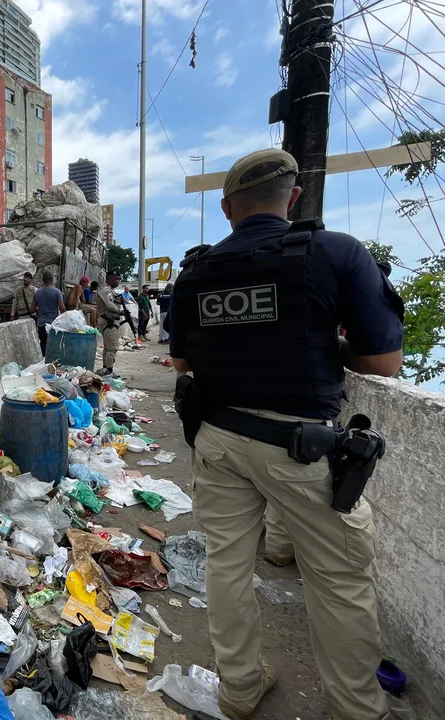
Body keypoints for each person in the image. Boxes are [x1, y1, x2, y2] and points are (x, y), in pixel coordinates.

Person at [169, 148, 404, 720]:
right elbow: (385, 360)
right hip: (301, 449)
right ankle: (356, 708)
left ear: (227, 209)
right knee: (339, 579)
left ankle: (239, 689)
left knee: (225, 564)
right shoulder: (335, 252)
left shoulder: (195, 271)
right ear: (293, 196)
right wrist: (332, 347)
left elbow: (180, 365)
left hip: (218, 438)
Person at [95, 273, 125, 375]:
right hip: (109, 322)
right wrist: (119, 311)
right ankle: (110, 372)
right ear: (110, 279)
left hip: (109, 321)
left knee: (108, 348)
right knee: (112, 347)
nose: (118, 281)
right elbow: (109, 305)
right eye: (116, 279)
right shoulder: (106, 290)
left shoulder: (110, 290)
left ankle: (106, 369)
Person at [30, 270, 64, 355]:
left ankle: (44, 363)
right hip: (53, 324)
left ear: (43, 280)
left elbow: (32, 309)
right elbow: (62, 308)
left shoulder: (37, 293)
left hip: (41, 324)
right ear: (52, 280)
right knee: (53, 346)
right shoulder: (57, 292)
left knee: (43, 344)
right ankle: (52, 364)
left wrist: (40, 308)